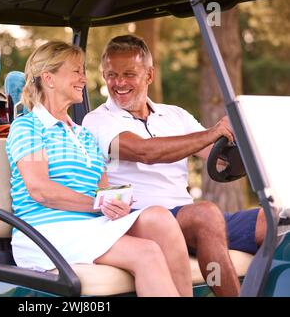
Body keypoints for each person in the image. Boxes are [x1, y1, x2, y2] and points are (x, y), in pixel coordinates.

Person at [82, 34, 271, 297]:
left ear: (149, 75)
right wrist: (214, 132)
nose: (119, 83)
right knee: (205, 213)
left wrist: (247, 139)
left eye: (129, 74)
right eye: (112, 75)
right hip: (141, 220)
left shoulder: (175, 115)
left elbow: (218, 158)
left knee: (275, 219)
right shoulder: (97, 121)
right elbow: (145, 152)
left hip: (189, 219)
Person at [6, 41, 193, 297]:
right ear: (49, 78)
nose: (84, 78)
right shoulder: (29, 127)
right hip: (47, 232)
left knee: (160, 217)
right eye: (76, 71)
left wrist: (117, 202)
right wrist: (97, 204)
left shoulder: (82, 134)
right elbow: (41, 190)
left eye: (83, 71)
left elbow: (103, 189)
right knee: (147, 252)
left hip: (90, 227)